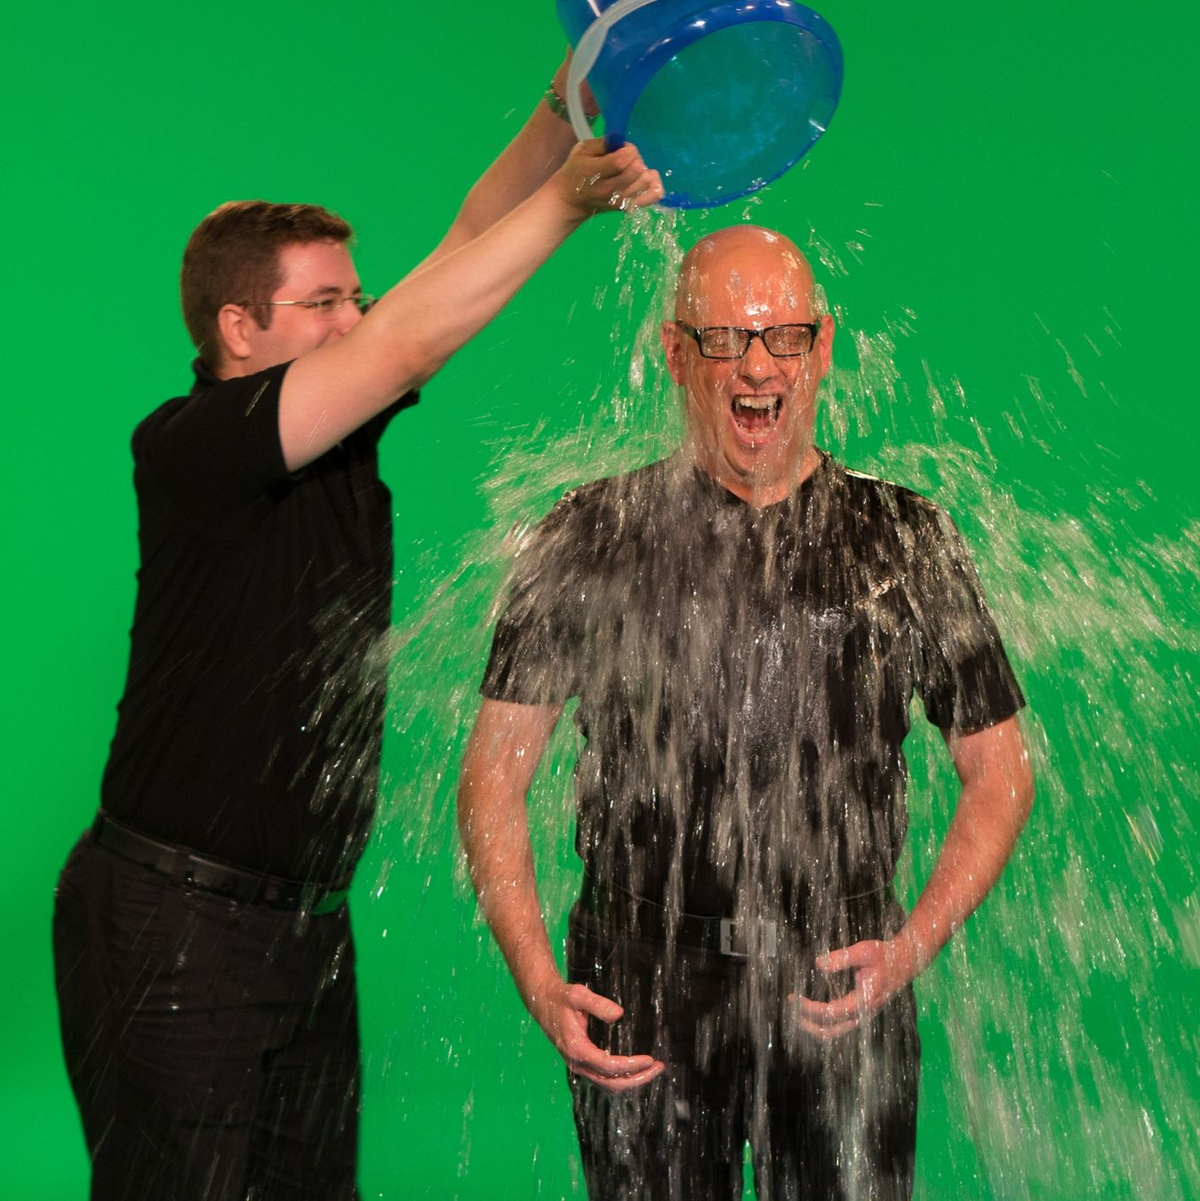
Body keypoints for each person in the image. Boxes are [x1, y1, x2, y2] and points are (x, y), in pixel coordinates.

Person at [52, 54, 663, 1201]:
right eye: (323, 302)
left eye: (355, 294)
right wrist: (571, 204)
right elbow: (414, 340)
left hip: (301, 931)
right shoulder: (195, 445)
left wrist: (563, 105)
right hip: (171, 924)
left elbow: (462, 247)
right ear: (239, 327)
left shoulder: (336, 428)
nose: (355, 315)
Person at [458, 225, 1034, 1199]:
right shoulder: (588, 534)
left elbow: (1001, 772)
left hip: (842, 974)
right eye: (725, 340)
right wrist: (534, 970)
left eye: (783, 338)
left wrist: (912, 946)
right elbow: (493, 774)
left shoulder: (904, 537)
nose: (756, 366)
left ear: (823, 347)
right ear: (678, 354)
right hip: (641, 981)